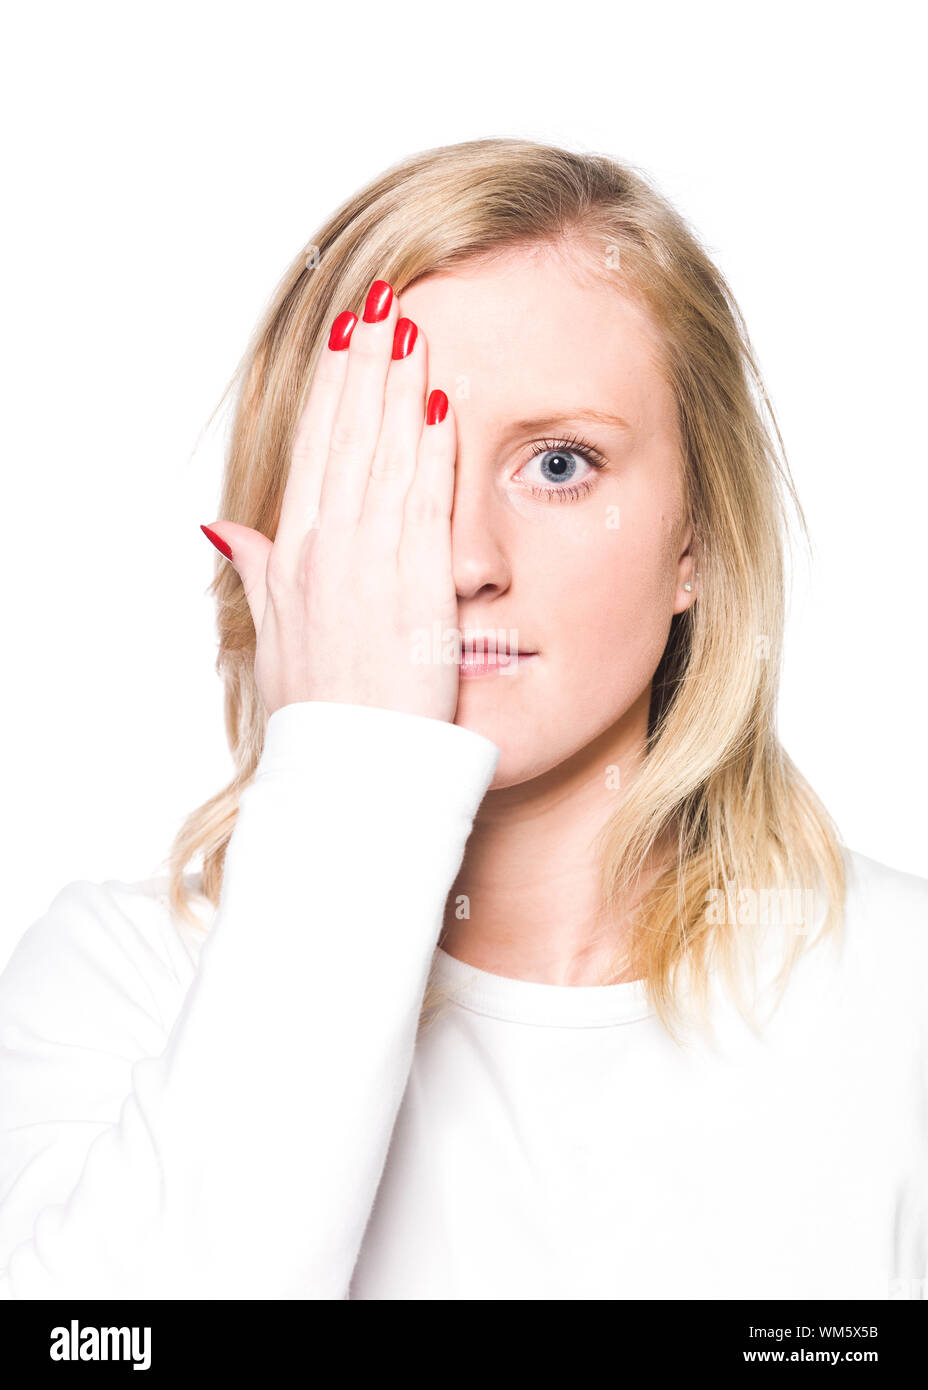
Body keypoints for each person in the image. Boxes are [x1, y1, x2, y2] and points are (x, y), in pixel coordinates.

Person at [1, 137, 925, 1301]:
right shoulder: (121, 982)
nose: (466, 561)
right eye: (394, 468)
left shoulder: (900, 996)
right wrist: (351, 770)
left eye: (556, 464)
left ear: (693, 541)